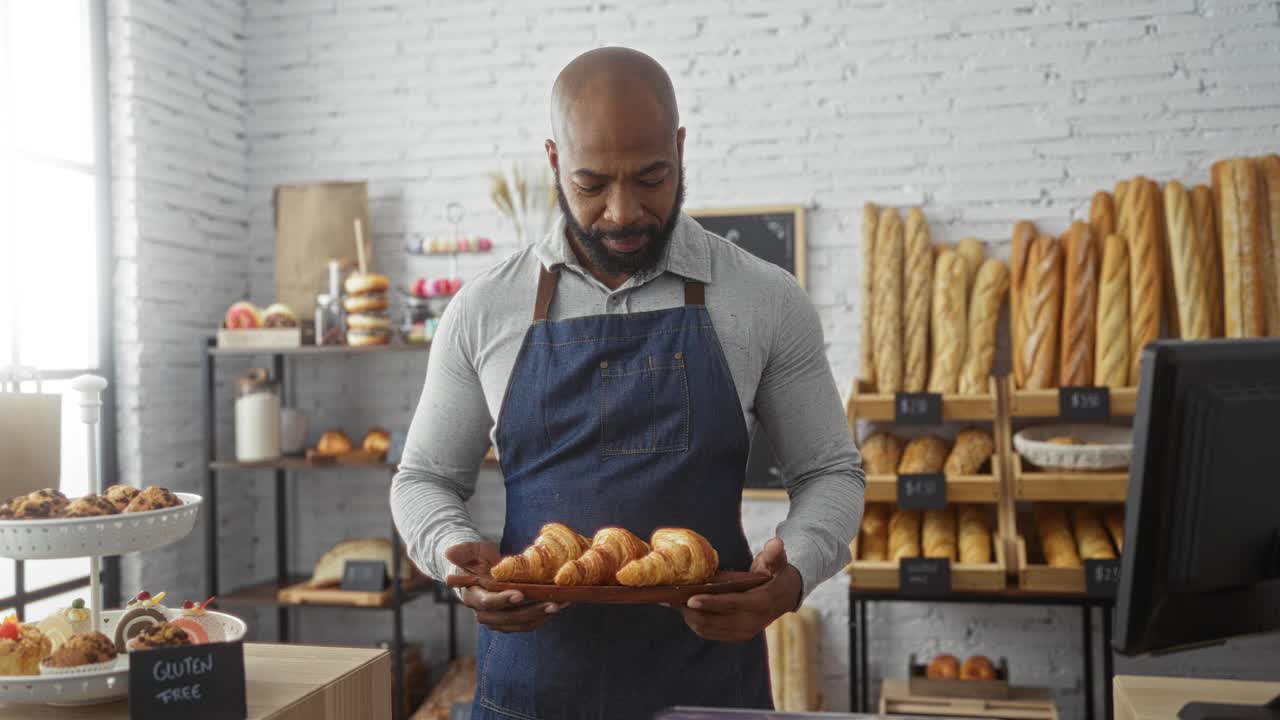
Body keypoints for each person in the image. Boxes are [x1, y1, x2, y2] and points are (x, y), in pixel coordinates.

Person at [391, 46, 864, 720]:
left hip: (705, 690)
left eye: (651, 178)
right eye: (592, 185)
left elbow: (830, 472)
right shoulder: (483, 309)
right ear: (555, 161)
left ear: (680, 149)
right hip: (530, 690)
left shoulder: (765, 300)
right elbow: (423, 479)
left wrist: (793, 576)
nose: (623, 211)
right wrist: (450, 553)